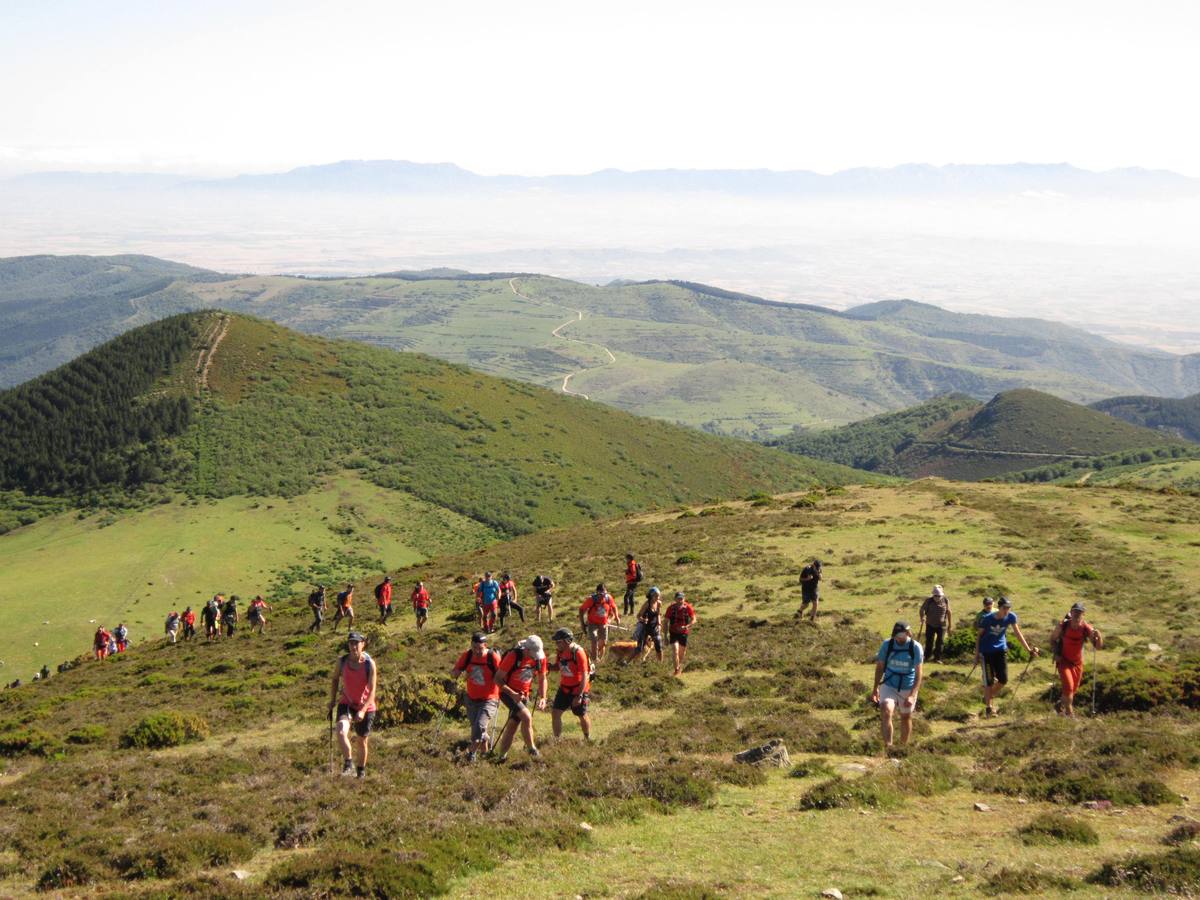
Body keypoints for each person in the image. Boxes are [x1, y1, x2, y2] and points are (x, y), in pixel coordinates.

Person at [976, 597, 1039, 717]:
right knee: (988, 681)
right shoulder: (987, 619)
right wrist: (976, 656)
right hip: (986, 652)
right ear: (999, 607)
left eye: (1008, 608)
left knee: (1003, 680)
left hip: (1000, 651)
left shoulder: (1011, 617)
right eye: (1004, 608)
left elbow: (1018, 633)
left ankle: (987, 696)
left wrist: (1029, 650)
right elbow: (979, 637)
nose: (1007, 610)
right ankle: (989, 708)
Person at [327, 631, 376, 778]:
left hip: (365, 706)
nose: (353, 646)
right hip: (346, 702)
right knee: (341, 731)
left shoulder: (369, 664)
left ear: (363, 644)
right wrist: (332, 699)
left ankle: (361, 771)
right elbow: (335, 679)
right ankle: (348, 763)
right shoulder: (342, 662)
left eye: (356, 643)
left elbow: (372, 691)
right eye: (351, 643)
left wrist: (362, 710)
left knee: (362, 741)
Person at [493, 635, 548, 762]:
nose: (535, 657)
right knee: (526, 716)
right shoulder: (513, 656)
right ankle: (532, 750)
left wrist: (543, 697)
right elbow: (497, 678)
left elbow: (542, 678)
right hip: (507, 693)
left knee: (512, 725)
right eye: (533, 654)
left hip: (524, 695)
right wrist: (512, 694)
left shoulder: (540, 658)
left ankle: (501, 757)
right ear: (526, 650)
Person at [870, 622, 924, 750]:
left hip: (908, 686)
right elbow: (880, 667)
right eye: (896, 636)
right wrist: (875, 688)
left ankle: (902, 748)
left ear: (907, 633)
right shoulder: (887, 645)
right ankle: (889, 746)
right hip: (889, 684)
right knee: (886, 710)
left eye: (901, 635)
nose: (898, 639)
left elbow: (919, 673)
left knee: (905, 717)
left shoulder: (915, 647)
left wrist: (912, 695)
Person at [449, 631, 502, 762]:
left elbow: (502, 676)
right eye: (474, 648)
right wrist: (456, 673)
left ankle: (470, 753)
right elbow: (455, 671)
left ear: (486, 645)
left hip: (490, 698)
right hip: (471, 698)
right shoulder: (467, 656)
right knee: (477, 729)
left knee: (479, 726)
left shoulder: (493, 657)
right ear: (471, 645)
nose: (477, 651)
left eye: (480, 648)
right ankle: (484, 754)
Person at [1050, 602, 1103, 717]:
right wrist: (1056, 653)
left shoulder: (1086, 628)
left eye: (1079, 612)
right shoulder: (1063, 626)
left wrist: (1099, 637)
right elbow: (1053, 639)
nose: (1077, 614)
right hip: (1064, 661)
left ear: (1083, 614)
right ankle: (1070, 715)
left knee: (1073, 690)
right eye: (1075, 611)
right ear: (1071, 612)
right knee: (1068, 687)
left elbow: (1097, 647)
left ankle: (1060, 705)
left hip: (1077, 663)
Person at [550, 627, 591, 741]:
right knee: (555, 713)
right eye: (556, 642)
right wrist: (547, 666)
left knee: (581, 715)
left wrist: (579, 695)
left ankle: (587, 738)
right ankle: (557, 739)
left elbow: (585, 676)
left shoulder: (578, 653)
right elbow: (558, 666)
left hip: (578, 689)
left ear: (567, 641)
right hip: (564, 688)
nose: (556, 644)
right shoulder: (560, 652)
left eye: (559, 641)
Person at [579, 583, 619, 666]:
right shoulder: (591, 600)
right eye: (601, 594)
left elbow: (614, 607)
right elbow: (581, 610)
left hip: (604, 623)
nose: (602, 596)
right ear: (597, 593)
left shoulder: (608, 598)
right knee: (594, 639)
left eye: (604, 594)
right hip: (592, 623)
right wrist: (582, 624)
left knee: (603, 642)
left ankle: (594, 653)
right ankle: (594, 660)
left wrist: (616, 617)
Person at [665, 590, 696, 676]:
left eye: (681, 599)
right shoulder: (670, 608)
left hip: (684, 632)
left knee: (682, 652)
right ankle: (676, 670)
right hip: (673, 632)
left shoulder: (688, 607)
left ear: (684, 599)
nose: (680, 601)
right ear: (675, 599)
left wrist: (687, 626)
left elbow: (694, 619)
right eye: (678, 599)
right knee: (675, 650)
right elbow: (666, 621)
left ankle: (678, 666)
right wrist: (665, 636)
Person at [918, 584, 952, 663]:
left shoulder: (945, 600)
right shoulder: (928, 601)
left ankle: (937, 658)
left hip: (942, 626)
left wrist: (950, 625)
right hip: (930, 624)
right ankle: (927, 656)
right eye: (935, 595)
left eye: (938, 596)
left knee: (940, 642)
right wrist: (922, 617)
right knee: (929, 641)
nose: (937, 597)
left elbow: (949, 612)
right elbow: (922, 609)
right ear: (933, 595)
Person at [636, 586, 664, 663]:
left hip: (654, 627)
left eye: (658, 595)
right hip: (645, 628)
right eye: (656, 595)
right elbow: (638, 616)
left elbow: (658, 614)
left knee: (659, 645)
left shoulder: (659, 603)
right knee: (640, 647)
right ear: (651, 595)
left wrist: (659, 623)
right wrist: (643, 619)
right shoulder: (647, 604)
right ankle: (636, 662)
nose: (657, 597)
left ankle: (660, 663)